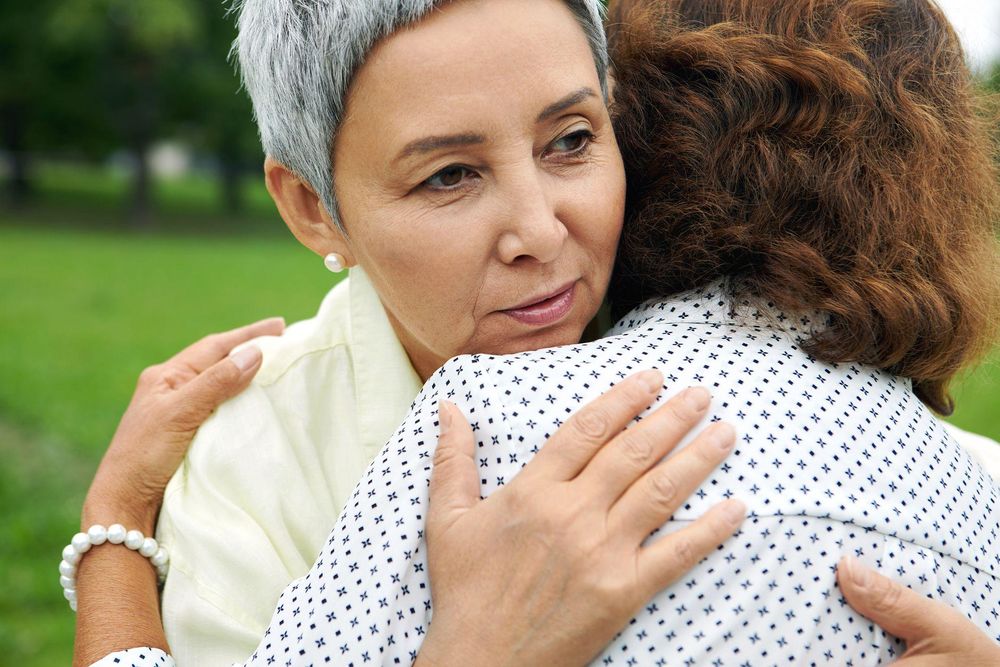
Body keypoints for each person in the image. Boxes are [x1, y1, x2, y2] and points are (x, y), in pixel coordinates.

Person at [72, 0, 1000, 663]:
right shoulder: (251, 459)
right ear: (315, 209)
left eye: (570, 142)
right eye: (448, 176)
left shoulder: (893, 448)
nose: (542, 232)